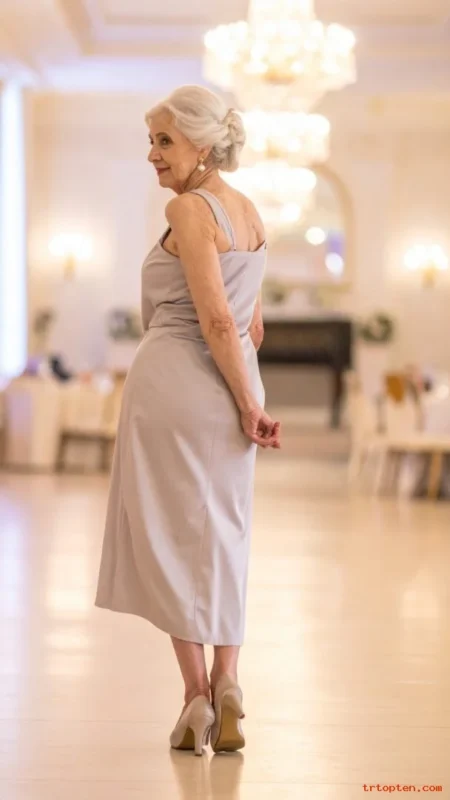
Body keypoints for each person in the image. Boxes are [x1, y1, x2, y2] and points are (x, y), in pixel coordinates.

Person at [95, 85, 281, 756]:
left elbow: (218, 320)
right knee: (225, 532)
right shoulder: (250, 212)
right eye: (151, 140)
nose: (152, 153)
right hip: (232, 384)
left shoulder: (188, 208)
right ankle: (230, 680)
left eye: (164, 140)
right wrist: (247, 398)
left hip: (177, 385)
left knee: (174, 535)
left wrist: (247, 404)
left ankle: (196, 696)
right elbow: (253, 326)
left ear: (202, 144)